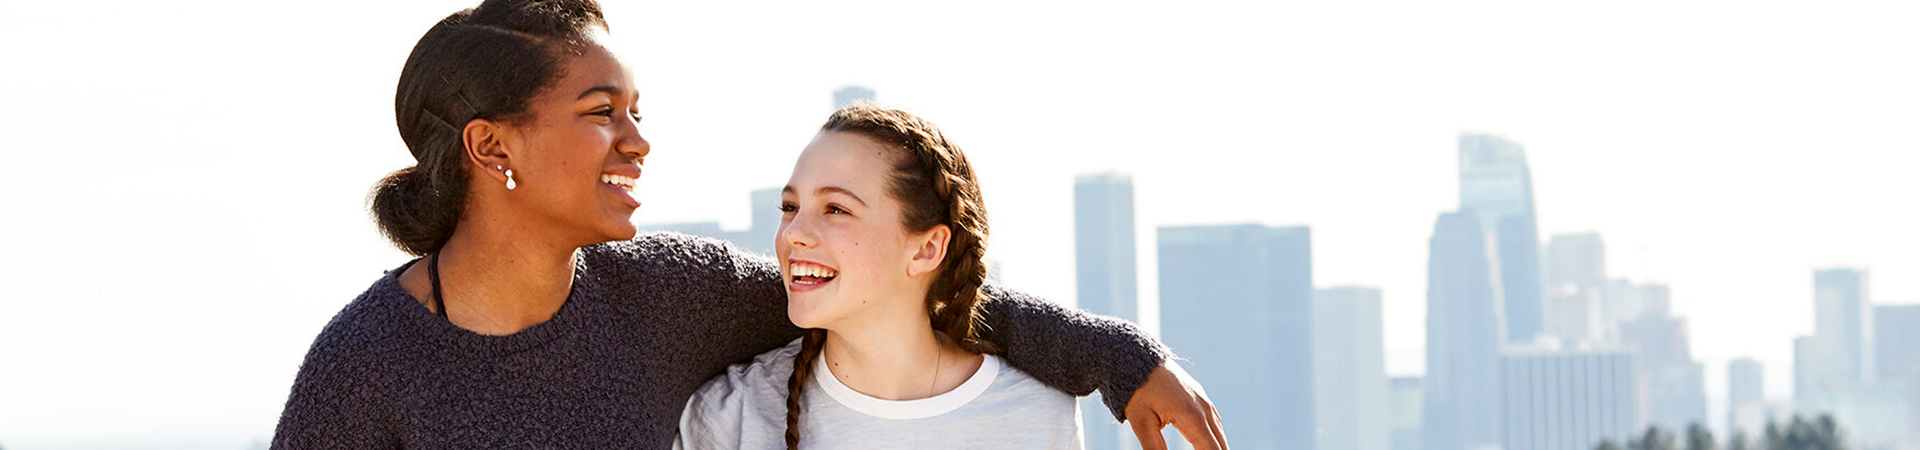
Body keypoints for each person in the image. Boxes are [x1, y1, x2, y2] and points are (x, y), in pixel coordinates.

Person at [271, 0, 1227, 448]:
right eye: (602, 111)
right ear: (493, 149)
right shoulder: (368, 365)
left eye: (638, 109)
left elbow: (890, 293)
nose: (639, 141)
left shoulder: (668, 294)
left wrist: (1118, 358)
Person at [678, 105, 1086, 449]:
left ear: (927, 249)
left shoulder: (1038, 415)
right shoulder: (729, 417)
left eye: (836, 209)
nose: (793, 234)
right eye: (789, 206)